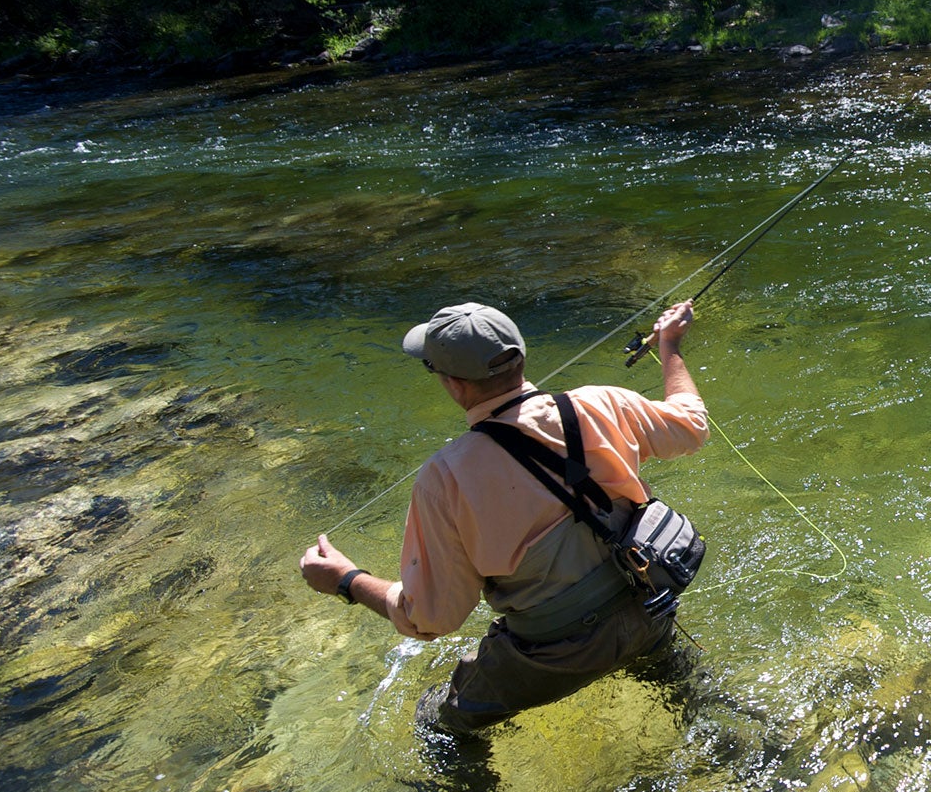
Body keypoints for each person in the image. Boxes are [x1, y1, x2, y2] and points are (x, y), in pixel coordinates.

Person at [299, 299, 707, 736]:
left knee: (440, 728)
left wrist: (345, 580)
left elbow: (431, 619)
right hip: (648, 607)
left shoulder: (445, 477)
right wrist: (669, 346)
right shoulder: (600, 402)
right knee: (679, 687)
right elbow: (691, 426)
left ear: (454, 384)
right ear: (521, 355)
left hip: (549, 654)